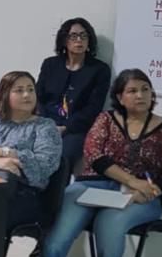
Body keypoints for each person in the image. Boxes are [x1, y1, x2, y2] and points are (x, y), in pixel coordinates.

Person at [15, 68, 162, 257]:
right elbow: (95, 155)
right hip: (92, 186)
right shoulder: (106, 120)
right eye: (132, 90)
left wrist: (150, 189)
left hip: (140, 197)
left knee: (110, 230)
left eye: (145, 89)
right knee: (57, 238)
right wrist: (132, 181)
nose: (140, 95)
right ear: (120, 97)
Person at [0, 72, 63, 230]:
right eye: (19, 90)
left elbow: (44, 165)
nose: (27, 95)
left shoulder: (45, 126)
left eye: (30, 89)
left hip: (21, 194)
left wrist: (5, 152)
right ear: (5, 94)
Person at [37, 17, 112, 165]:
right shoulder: (50, 64)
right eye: (74, 36)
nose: (79, 40)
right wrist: (46, 124)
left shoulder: (99, 70)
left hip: (76, 128)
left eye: (84, 36)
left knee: (62, 158)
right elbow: (38, 97)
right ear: (64, 40)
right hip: (45, 122)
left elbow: (93, 108)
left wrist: (65, 127)